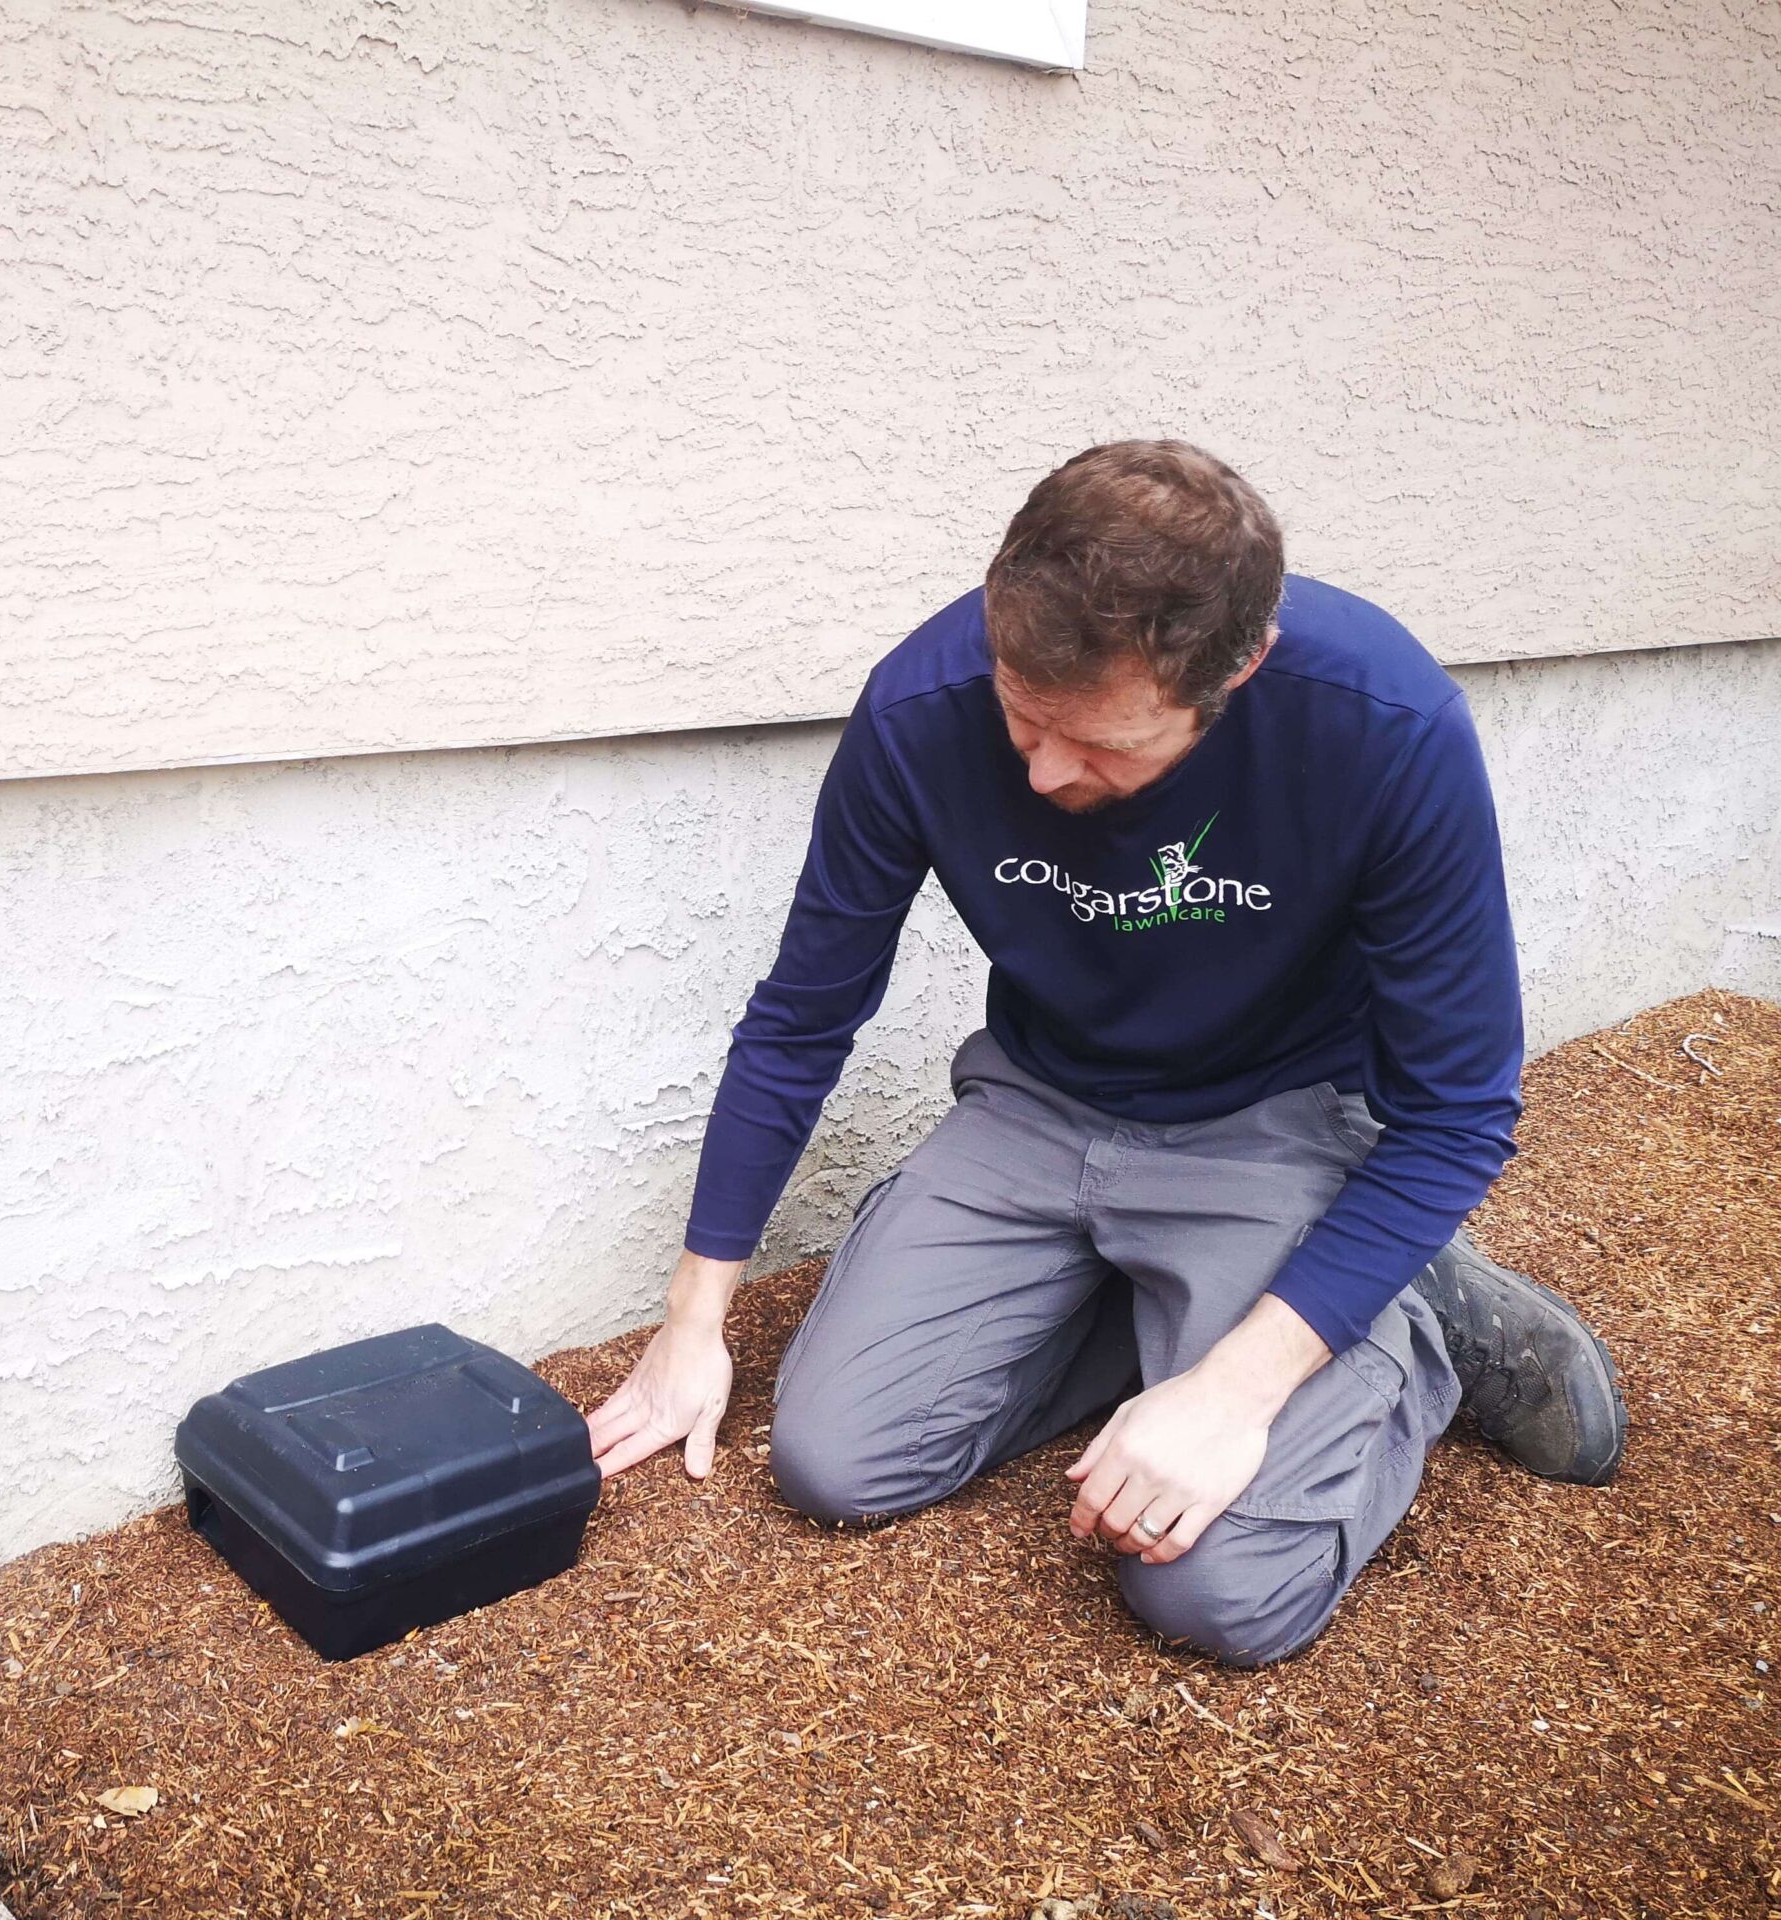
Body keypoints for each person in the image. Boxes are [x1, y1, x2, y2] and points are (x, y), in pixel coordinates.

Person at [583, 440, 1626, 1666]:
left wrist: (1234, 1392)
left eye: (1104, 746)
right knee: (837, 1462)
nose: (1040, 768)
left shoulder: (1383, 728)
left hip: (1275, 1121)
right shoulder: (923, 703)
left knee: (1219, 1596)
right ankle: (1173, 1298)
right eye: (1023, 716)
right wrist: (692, 1316)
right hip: (1039, 1104)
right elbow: (805, 1011)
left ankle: (1408, 1318)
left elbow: (1458, 1113)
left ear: (1237, 670)